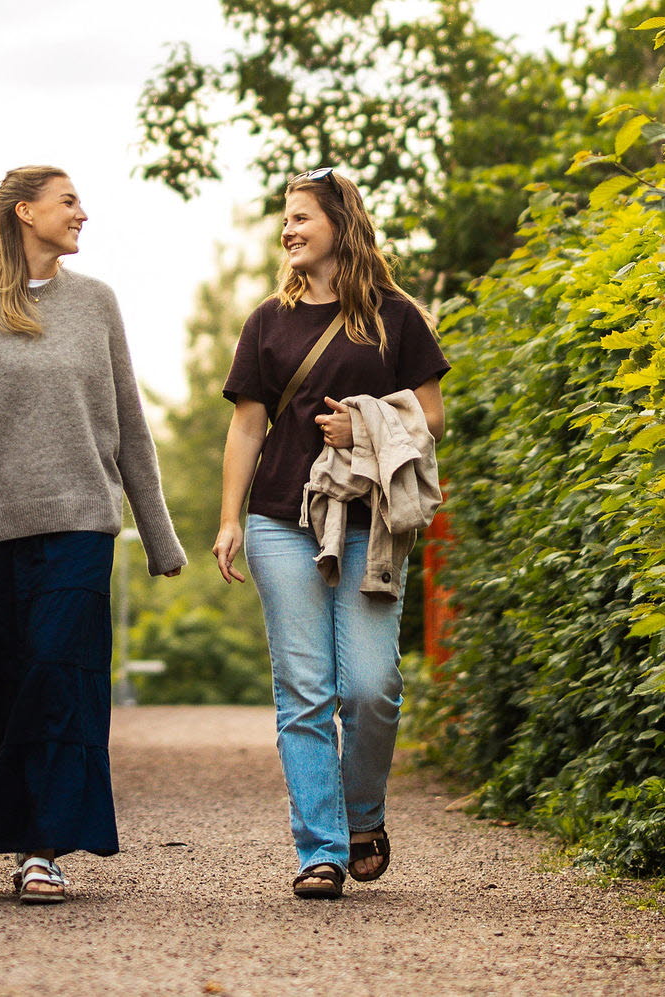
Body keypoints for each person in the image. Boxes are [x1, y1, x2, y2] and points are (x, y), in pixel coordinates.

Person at [0, 165, 186, 905]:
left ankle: (40, 849)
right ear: (25, 212)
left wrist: (158, 534)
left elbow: (129, 423)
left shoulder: (96, 304)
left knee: (60, 676)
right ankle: (30, 833)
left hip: (80, 525)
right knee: (6, 688)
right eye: (69, 202)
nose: (82, 214)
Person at [214, 168, 448, 900]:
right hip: (281, 520)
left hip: (368, 523)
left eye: (301, 218)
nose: (288, 231)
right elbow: (247, 424)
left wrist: (367, 423)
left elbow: (432, 416)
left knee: (372, 685)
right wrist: (228, 518)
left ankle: (363, 815)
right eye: (285, 220)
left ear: (340, 226)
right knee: (305, 690)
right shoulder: (267, 322)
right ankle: (321, 848)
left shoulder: (396, 317)